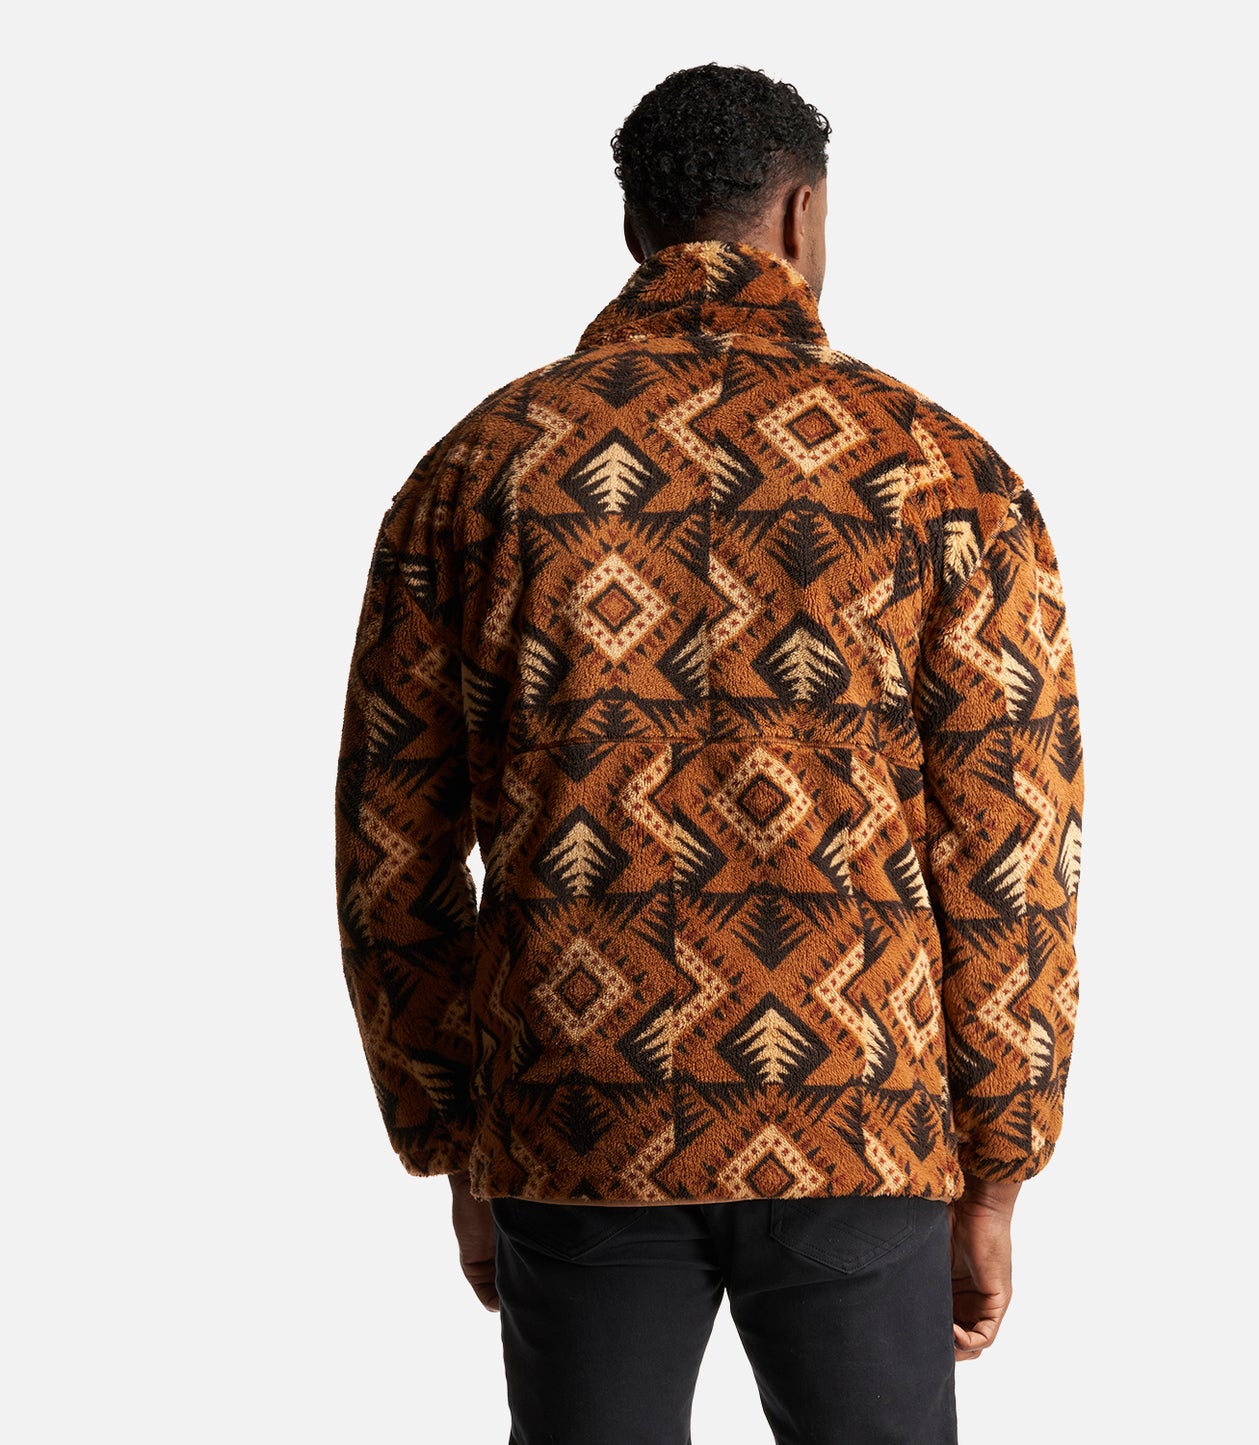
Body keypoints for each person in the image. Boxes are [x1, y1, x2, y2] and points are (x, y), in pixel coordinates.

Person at [335, 62, 1085, 1445]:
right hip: (855, 1104)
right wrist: (996, 1166)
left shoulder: (482, 469)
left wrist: (456, 1132)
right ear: (801, 214)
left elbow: (393, 842)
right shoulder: (939, 470)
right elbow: (1011, 844)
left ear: (635, 226)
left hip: (573, 1101)